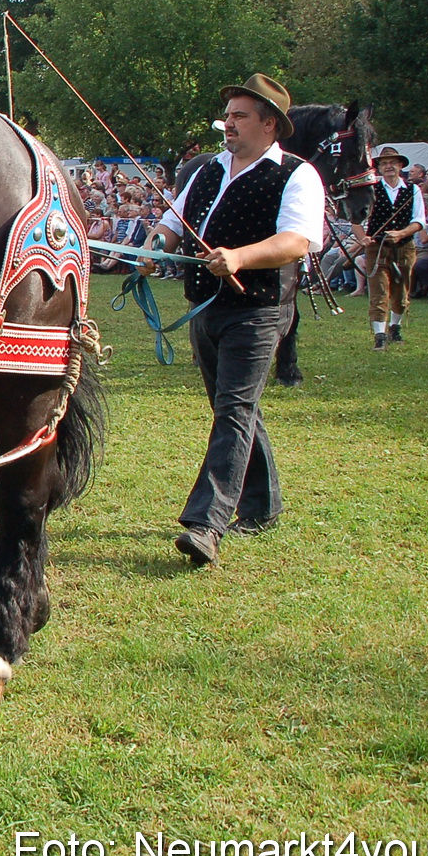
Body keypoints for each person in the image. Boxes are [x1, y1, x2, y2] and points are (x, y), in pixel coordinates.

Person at [140, 74, 324, 567]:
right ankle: (263, 507)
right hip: (206, 307)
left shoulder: (296, 174)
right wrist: (153, 250)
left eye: (241, 116)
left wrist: (241, 257)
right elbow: (172, 224)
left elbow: (297, 242)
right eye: (229, 116)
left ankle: (207, 523)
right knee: (236, 408)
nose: (229, 124)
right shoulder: (205, 171)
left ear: (270, 125)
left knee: (234, 409)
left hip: (259, 311)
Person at [356, 146, 425, 349]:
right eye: (384, 163)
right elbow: (356, 219)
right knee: (378, 291)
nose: (388, 166)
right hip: (377, 248)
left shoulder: (413, 190)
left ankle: (395, 326)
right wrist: (362, 238)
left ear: (400, 165)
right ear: (379, 167)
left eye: (392, 163)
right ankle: (380, 335)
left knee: (401, 293)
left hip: (404, 247)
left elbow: (419, 221)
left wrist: (401, 233)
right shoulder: (370, 189)